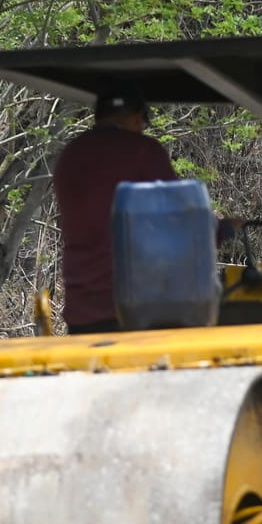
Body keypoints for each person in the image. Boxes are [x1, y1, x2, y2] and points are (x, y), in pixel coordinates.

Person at [51, 81, 177, 335]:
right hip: (140, 309)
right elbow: (179, 218)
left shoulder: (71, 154)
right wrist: (222, 230)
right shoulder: (145, 151)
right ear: (135, 118)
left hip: (82, 312)